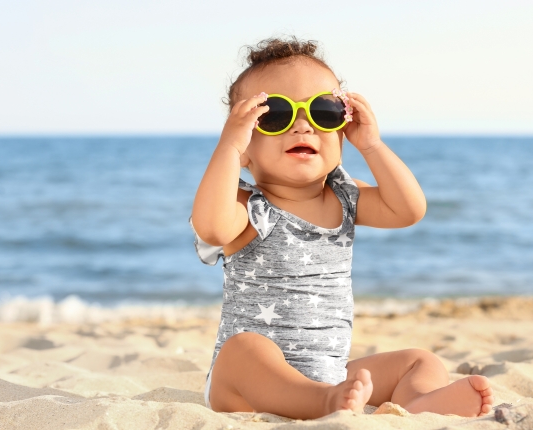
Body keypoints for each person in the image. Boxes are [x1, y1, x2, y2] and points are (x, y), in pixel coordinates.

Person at [189, 37, 494, 419]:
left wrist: (372, 145)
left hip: (330, 374)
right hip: (247, 385)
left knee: (419, 360)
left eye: (324, 112)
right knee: (245, 348)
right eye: (275, 115)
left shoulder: (344, 197)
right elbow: (213, 228)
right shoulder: (247, 206)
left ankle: (419, 402)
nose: (303, 126)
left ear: (342, 130)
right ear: (246, 144)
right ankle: (324, 403)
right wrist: (228, 150)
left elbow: (408, 210)